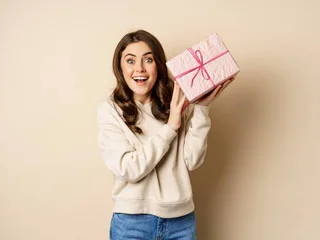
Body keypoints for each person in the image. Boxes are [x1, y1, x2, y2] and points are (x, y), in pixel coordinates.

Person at [97, 29, 234, 239]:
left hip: (181, 222)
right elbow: (129, 169)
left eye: (148, 59)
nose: (139, 69)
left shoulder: (177, 103)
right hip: (131, 224)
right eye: (130, 61)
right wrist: (170, 128)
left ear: (159, 66)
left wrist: (202, 109)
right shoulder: (111, 111)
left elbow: (192, 161)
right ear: (120, 67)